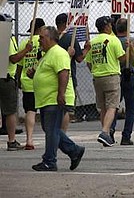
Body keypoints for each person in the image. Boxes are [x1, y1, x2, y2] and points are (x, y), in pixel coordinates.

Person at [30, 26, 85, 171]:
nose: (39, 40)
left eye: (42, 38)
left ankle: (49, 161)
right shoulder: (48, 54)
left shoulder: (58, 53)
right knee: (50, 128)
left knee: (52, 129)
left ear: (50, 38)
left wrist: (60, 94)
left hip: (54, 99)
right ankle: (74, 150)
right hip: (47, 99)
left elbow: (63, 74)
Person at [85, 16, 125, 146]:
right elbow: (122, 58)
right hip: (111, 75)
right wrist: (130, 48)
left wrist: (96, 70)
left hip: (97, 77)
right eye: (110, 25)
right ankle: (104, 131)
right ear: (107, 26)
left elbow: (89, 62)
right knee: (112, 106)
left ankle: (106, 135)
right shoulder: (113, 40)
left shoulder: (93, 42)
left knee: (102, 108)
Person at [16, 18, 45, 150]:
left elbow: (20, 65)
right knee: (46, 111)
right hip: (43, 80)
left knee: (30, 111)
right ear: (41, 29)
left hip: (27, 81)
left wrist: (18, 80)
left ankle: (29, 139)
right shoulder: (45, 42)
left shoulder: (24, 43)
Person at [113, 18, 134, 145]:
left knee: (114, 106)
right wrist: (132, 48)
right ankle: (126, 136)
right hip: (129, 74)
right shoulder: (132, 41)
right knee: (130, 107)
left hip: (116, 74)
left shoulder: (113, 41)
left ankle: (110, 132)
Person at [1, 14, 25, 150]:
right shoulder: (7, 39)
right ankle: (11, 140)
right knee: (10, 111)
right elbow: (14, 58)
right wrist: (26, 50)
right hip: (6, 78)